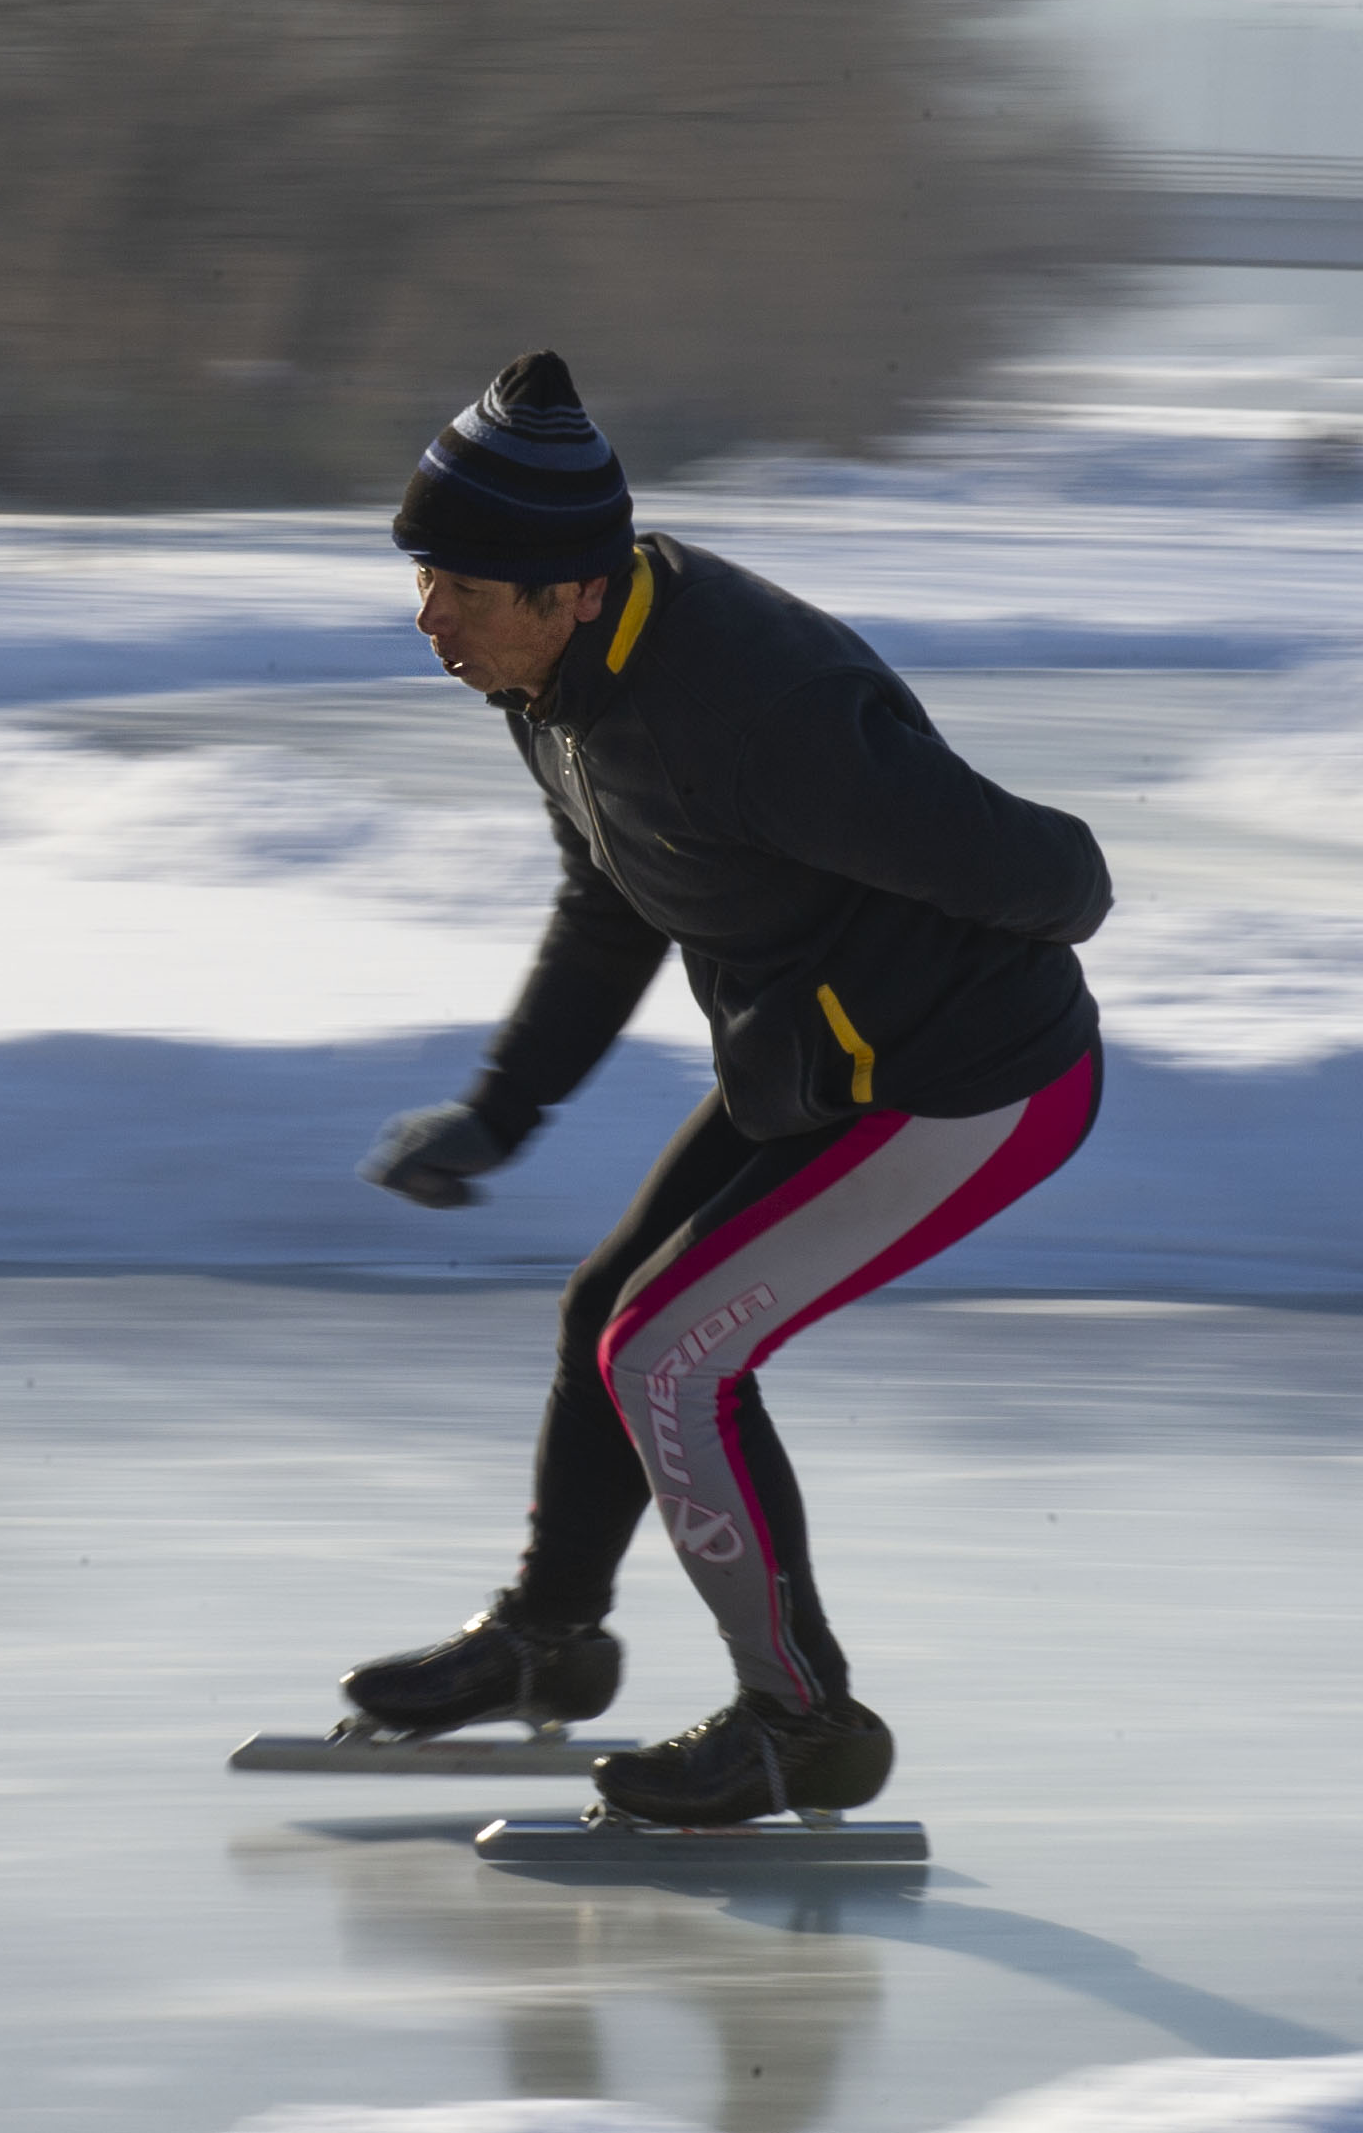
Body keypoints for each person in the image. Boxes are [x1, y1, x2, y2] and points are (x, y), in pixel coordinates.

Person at [339, 350, 1111, 1828]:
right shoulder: (556, 674)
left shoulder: (755, 711)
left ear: (569, 585)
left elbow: (1060, 875)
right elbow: (617, 892)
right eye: (424, 578)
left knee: (667, 1354)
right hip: (817, 1066)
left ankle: (800, 1720)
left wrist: (924, 947)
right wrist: (505, 1108)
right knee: (607, 1311)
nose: (432, 621)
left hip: (967, 1086)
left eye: (465, 591)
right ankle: (548, 1639)